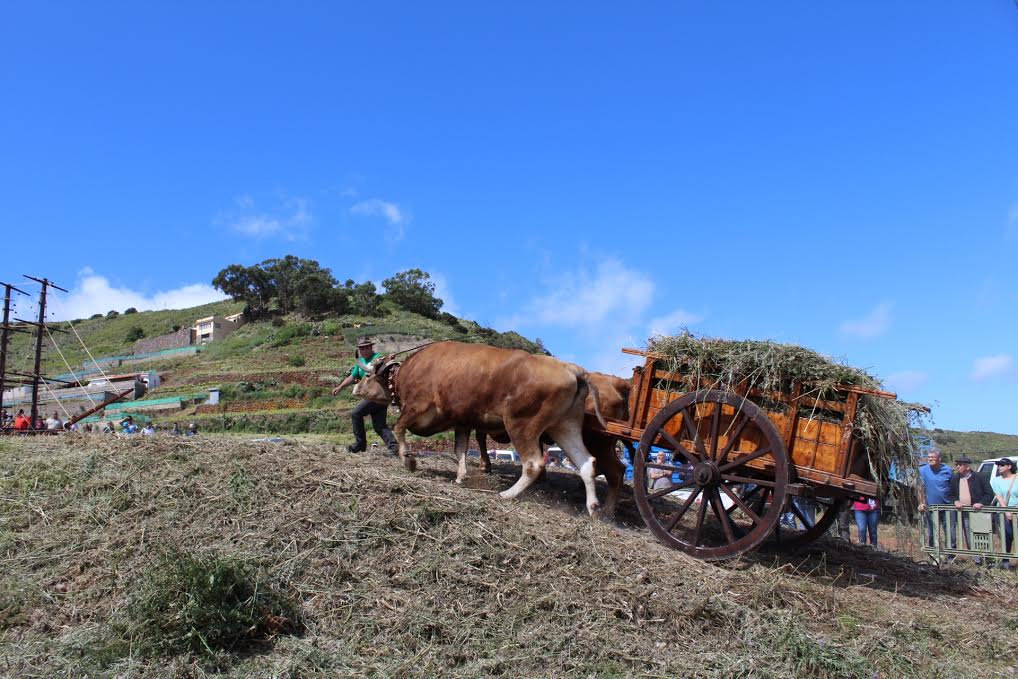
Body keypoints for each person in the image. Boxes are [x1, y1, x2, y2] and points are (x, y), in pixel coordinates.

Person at [331, 337, 398, 455]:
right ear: (359, 350)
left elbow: (382, 366)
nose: (364, 350)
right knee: (379, 426)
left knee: (356, 413)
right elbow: (352, 377)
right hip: (378, 399)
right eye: (361, 348)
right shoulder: (360, 362)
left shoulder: (378, 358)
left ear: (370, 348)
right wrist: (340, 387)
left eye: (366, 348)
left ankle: (360, 444)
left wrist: (388, 359)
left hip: (376, 395)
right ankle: (393, 447)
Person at [945, 454, 994, 563]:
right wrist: (956, 501)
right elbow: (951, 494)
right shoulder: (955, 478)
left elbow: (989, 494)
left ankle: (981, 560)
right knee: (960, 533)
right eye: (956, 464)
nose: (957, 467)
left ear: (967, 467)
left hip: (975, 512)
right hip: (960, 512)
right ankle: (967, 558)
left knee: (976, 535)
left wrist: (980, 503)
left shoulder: (979, 477)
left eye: (960, 465)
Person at [917, 448, 954, 548]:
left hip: (948, 507)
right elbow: (920, 487)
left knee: (950, 533)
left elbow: (954, 487)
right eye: (929, 457)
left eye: (933, 457)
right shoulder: (923, 470)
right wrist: (921, 502)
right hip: (931, 508)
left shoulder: (948, 470)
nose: (930, 459)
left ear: (939, 458)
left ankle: (950, 556)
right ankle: (934, 556)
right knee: (932, 533)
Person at [991, 458, 1018, 569]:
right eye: (998, 465)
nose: (999, 467)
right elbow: (999, 496)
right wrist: (1006, 510)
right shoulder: (996, 480)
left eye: (1002, 465)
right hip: (1002, 512)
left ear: (1009, 467)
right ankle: (1005, 560)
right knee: (1007, 535)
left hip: (1016, 510)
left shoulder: (1016, 478)